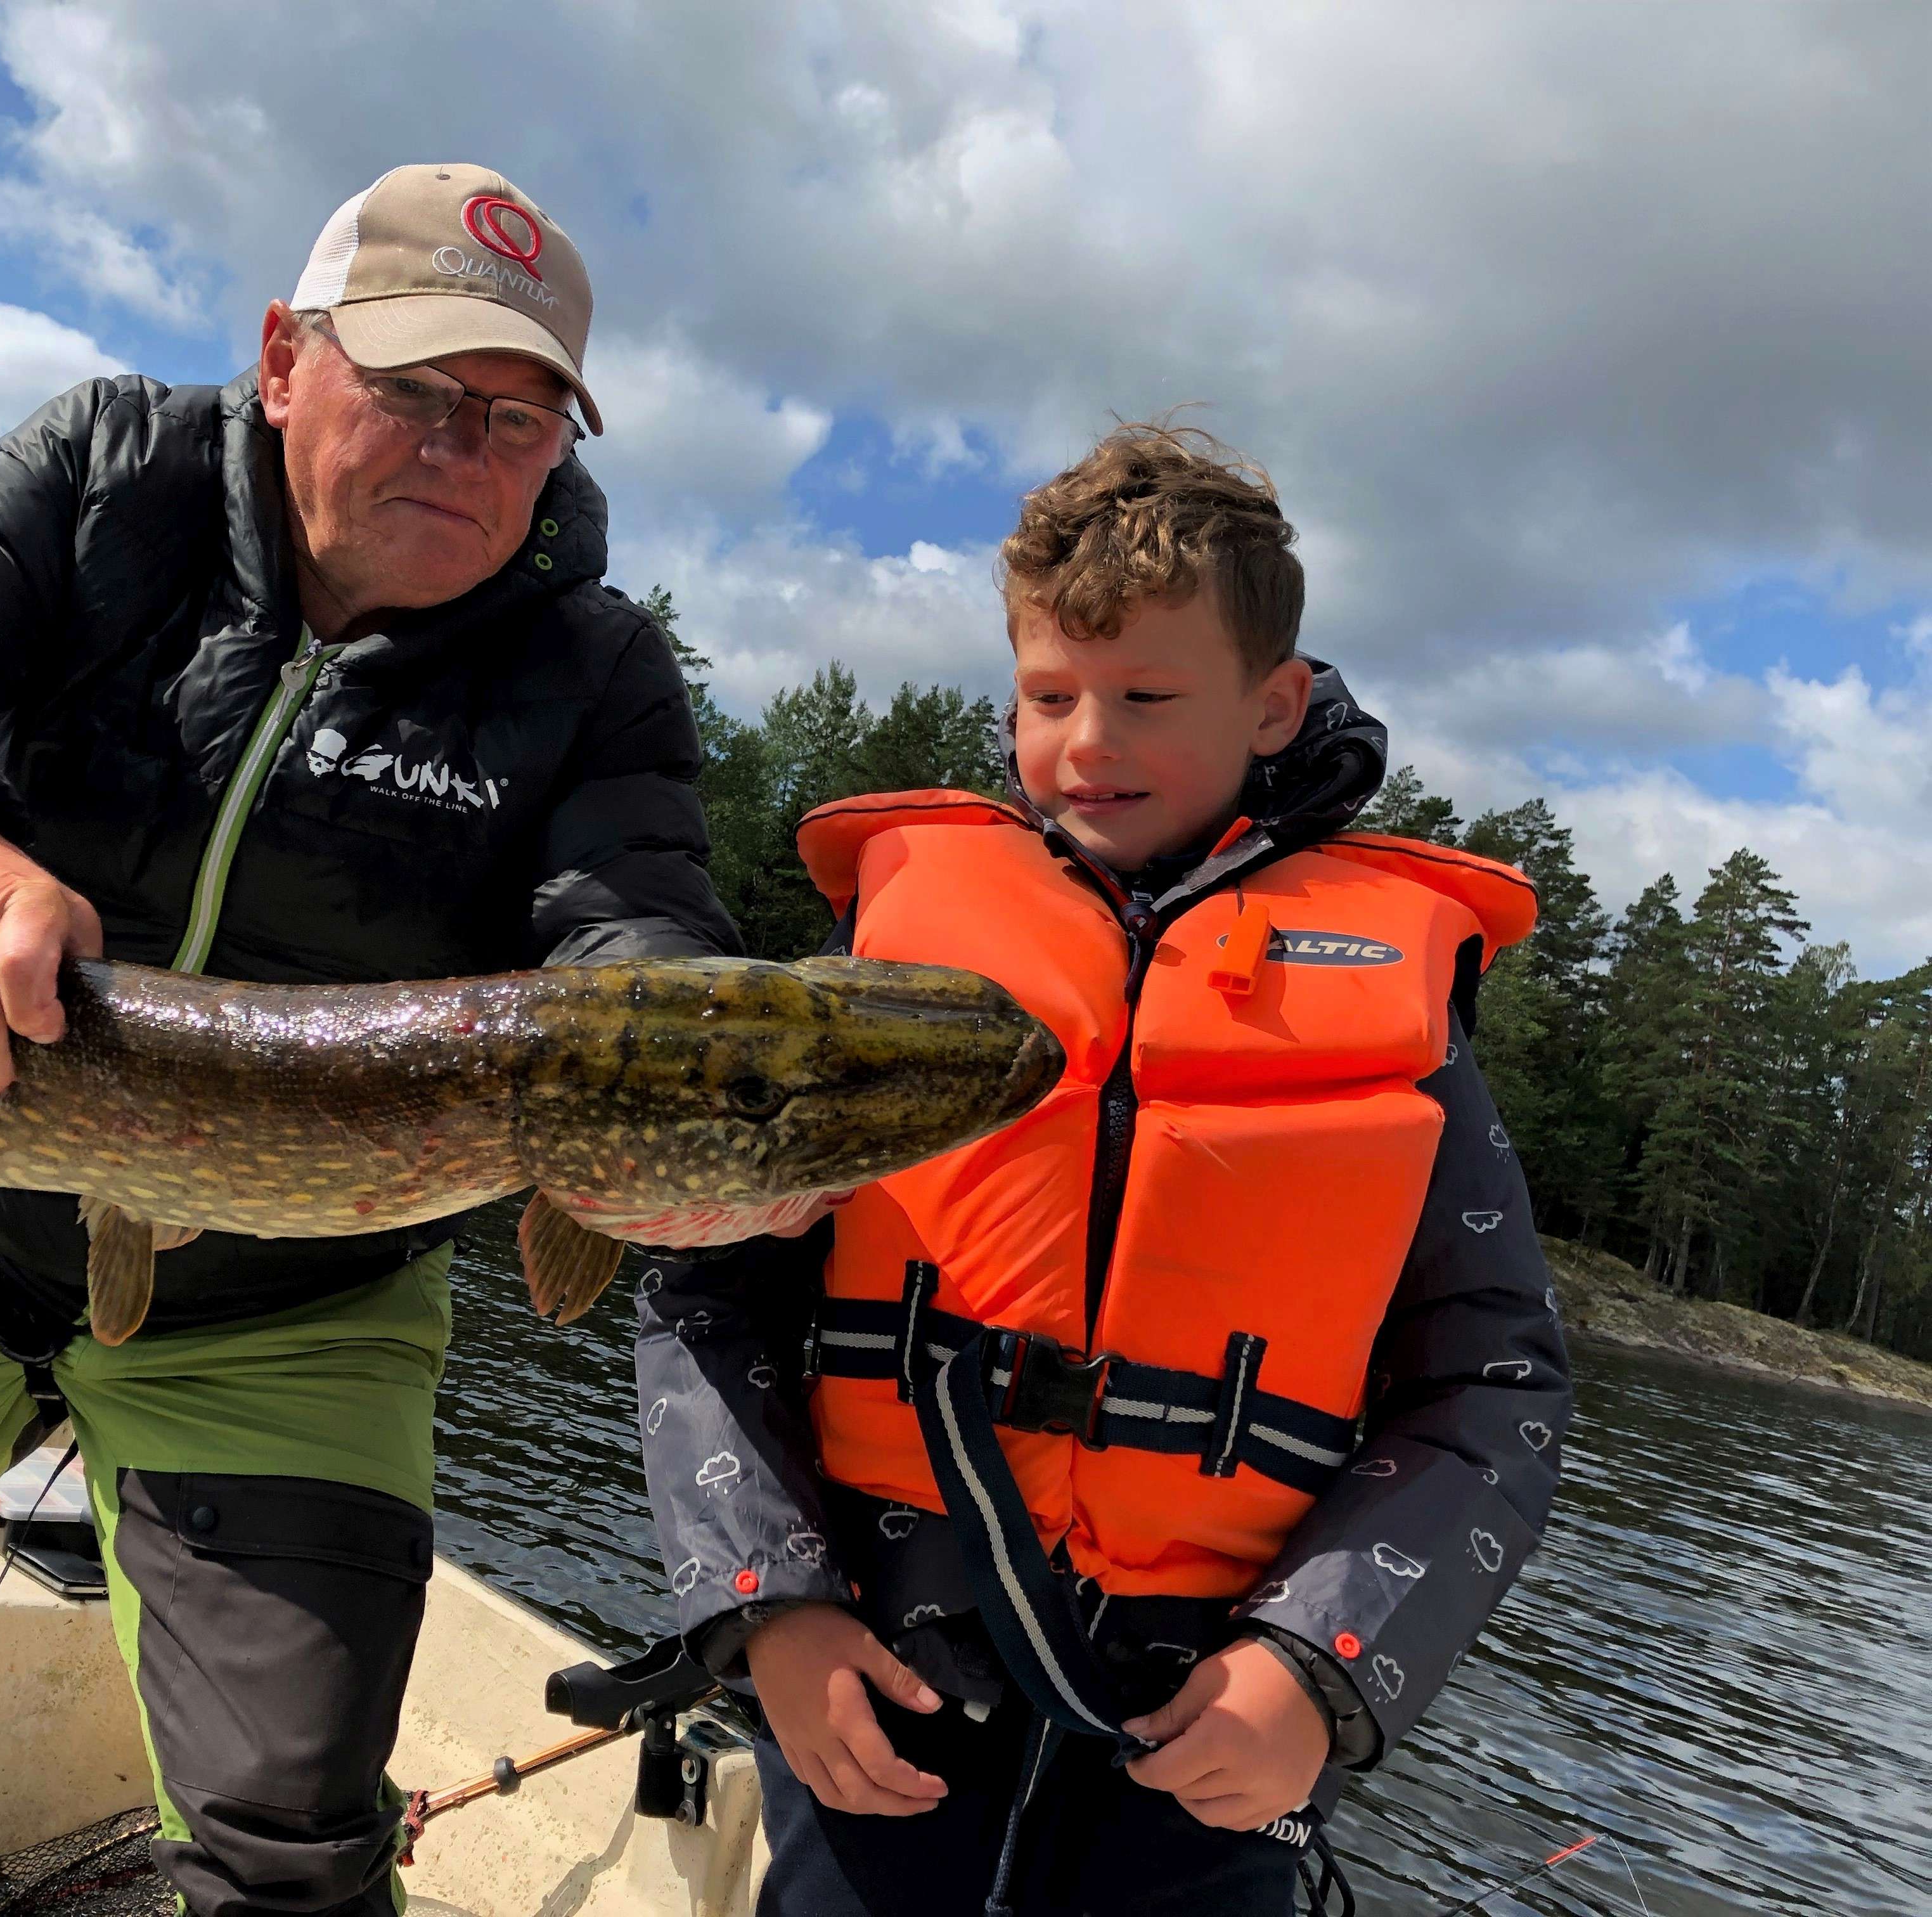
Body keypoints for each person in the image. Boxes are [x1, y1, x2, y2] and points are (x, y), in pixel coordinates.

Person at [0, 163, 736, 1917]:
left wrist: (700, 1119)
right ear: (282, 359)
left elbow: (631, 926)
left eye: (516, 420)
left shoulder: (593, 668)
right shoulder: (113, 480)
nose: (459, 450)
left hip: (297, 1297)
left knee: (290, 1859)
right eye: (412, 392)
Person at [636, 424, 1571, 1916]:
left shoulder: (1401, 1018)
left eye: (1145, 697)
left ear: (1271, 705)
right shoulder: (893, 971)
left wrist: (1320, 1667)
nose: (1086, 744)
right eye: (1048, 696)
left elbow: (1496, 1389)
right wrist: (770, 1611)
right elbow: (707, 1293)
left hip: (1211, 1731)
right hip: (893, 1675)